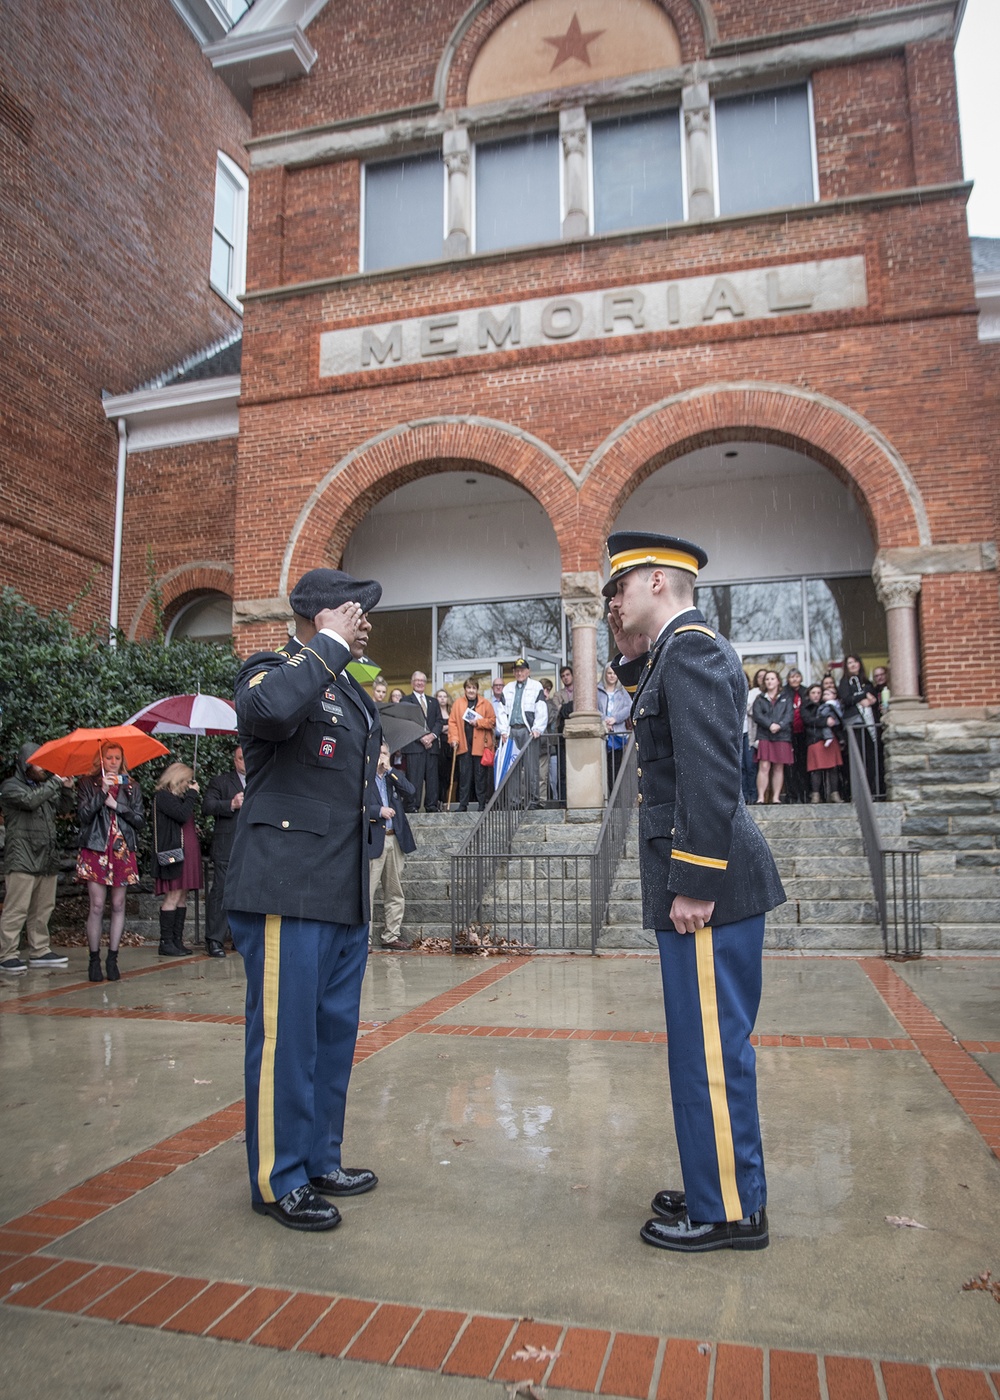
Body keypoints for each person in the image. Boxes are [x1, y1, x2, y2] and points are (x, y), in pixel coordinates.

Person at [605, 530, 784, 1253]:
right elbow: (648, 703)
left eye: (618, 589)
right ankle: (715, 1183)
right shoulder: (671, 652)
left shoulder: (695, 648)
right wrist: (622, 641)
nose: (610, 604)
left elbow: (712, 774)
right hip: (698, 884)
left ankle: (731, 1211)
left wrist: (695, 884)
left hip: (709, 890)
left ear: (654, 581)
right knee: (697, 1049)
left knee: (711, 1052)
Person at [224, 567, 381, 1233]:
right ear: (324, 614)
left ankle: (319, 1158)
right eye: (357, 611)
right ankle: (277, 1178)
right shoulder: (275, 666)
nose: (366, 623)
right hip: (287, 886)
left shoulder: (346, 687)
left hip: (339, 890)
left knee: (329, 1038)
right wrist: (326, 645)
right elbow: (266, 713)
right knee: (286, 1040)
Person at [0, 744, 74, 974]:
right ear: (25, 764)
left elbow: (64, 809)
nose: (44, 769)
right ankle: (7, 954)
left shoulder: (45, 786)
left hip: (46, 856)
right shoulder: (10, 786)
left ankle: (40, 949)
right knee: (17, 908)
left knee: (43, 907)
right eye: (39, 764)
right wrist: (55, 782)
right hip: (22, 856)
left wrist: (67, 789)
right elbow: (30, 801)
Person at [76, 742, 144, 983]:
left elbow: (139, 819)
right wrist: (102, 793)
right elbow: (83, 816)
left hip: (121, 851)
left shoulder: (131, 785)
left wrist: (117, 805)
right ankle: (94, 959)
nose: (113, 761)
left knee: (118, 904)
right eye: (109, 757)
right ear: (101, 760)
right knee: (96, 905)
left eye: (117, 757)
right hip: (96, 848)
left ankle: (112, 958)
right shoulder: (87, 783)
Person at [151, 763, 201, 958]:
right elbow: (180, 815)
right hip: (174, 854)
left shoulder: (177, 798)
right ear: (177, 778)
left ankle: (177, 940)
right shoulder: (163, 796)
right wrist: (192, 794)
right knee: (172, 896)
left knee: (182, 896)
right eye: (187, 781)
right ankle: (166, 942)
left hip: (187, 852)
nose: (189, 785)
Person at [369, 742, 416, 950]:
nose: (382, 756)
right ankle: (365, 939)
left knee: (395, 891)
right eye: (379, 753)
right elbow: (355, 805)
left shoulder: (392, 777)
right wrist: (378, 811)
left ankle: (391, 935)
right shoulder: (365, 778)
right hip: (374, 839)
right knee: (368, 892)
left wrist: (389, 771)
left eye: (385, 753)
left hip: (394, 838)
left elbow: (411, 791)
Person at [202, 747, 246, 957]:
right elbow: (207, 806)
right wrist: (231, 804)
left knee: (245, 893)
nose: (244, 762)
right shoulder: (220, 782)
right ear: (234, 760)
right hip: (226, 845)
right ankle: (214, 939)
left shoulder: (260, 780)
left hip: (251, 847)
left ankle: (240, 938)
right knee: (221, 892)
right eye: (240, 758)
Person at [447, 677, 497, 811]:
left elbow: (492, 721)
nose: (471, 690)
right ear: (465, 689)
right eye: (468, 688)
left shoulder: (485, 703)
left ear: (477, 690)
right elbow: (452, 723)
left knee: (480, 777)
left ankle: (482, 804)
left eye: (473, 688)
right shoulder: (458, 703)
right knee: (464, 777)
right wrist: (454, 739)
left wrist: (479, 723)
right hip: (464, 745)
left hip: (480, 746)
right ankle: (463, 804)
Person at [503, 658, 548, 805]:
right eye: (516, 670)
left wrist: (537, 728)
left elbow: (541, 709)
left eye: (522, 670)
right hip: (512, 732)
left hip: (528, 731)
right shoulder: (508, 687)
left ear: (528, 672)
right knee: (513, 768)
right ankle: (514, 801)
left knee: (531, 768)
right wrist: (503, 731)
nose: (519, 673)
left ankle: (532, 801)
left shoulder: (536, 686)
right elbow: (501, 711)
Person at [836, 654, 880, 796]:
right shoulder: (844, 682)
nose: (853, 665)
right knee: (858, 758)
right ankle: (859, 792)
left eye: (855, 662)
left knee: (871, 758)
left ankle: (872, 790)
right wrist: (862, 697)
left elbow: (872, 697)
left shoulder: (866, 682)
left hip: (869, 723)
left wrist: (868, 698)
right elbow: (846, 699)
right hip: (855, 724)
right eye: (850, 663)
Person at [400, 671, 443, 813]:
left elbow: (439, 721)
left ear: (425, 683)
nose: (419, 683)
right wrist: (421, 737)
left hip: (432, 747)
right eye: (417, 680)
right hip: (414, 746)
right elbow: (407, 722)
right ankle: (412, 806)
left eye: (422, 680)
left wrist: (432, 736)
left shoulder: (433, 701)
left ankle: (431, 805)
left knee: (432, 779)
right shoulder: (405, 700)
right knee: (414, 778)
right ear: (412, 682)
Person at [752, 671, 793, 804]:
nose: (769, 681)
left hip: (782, 735)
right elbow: (757, 715)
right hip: (765, 734)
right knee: (764, 766)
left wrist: (779, 725)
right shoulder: (759, 698)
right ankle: (761, 797)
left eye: (772, 679)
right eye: (767, 679)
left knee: (778, 767)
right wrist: (769, 725)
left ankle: (776, 797)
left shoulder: (786, 697)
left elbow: (789, 715)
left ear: (778, 681)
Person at [802, 681, 844, 803]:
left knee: (833, 769)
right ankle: (815, 795)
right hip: (814, 739)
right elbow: (808, 720)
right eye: (813, 692)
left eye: (819, 692)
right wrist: (825, 721)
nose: (816, 695)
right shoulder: (806, 707)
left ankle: (834, 794)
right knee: (816, 770)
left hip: (830, 739)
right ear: (809, 694)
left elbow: (838, 719)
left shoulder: (827, 705)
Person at [597, 662, 631, 791]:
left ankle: (615, 795)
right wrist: (605, 720)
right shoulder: (597, 690)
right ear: (605, 674)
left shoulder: (623, 691)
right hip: (603, 732)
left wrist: (615, 719)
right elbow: (593, 708)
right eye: (609, 673)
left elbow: (629, 708)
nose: (612, 676)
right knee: (603, 767)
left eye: (614, 673)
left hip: (618, 734)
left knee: (616, 767)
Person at [783, 669, 808, 803]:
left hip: (804, 733)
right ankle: (791, 794)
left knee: (803, 765)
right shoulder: (785, 692)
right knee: (789, 766)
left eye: (797, 676)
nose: (794, 679)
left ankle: (805, 794)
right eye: (792, 677)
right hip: (788, 733)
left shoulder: (806, 692)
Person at [435, 688, 453, 804]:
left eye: (444, 696)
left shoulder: (451, 712)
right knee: (440, 774)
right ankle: (440, 799)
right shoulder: (435, 713)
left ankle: (448, 800)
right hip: (439, 746)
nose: (442, 698)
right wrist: (445, 728)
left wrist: (444, 729)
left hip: (451, 746)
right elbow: (437, 728)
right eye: (439, 696)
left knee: (450, 774)